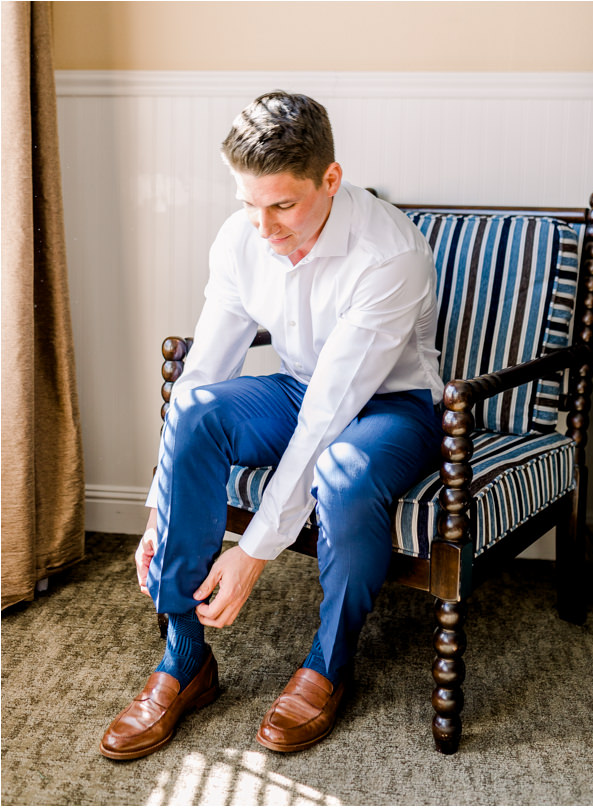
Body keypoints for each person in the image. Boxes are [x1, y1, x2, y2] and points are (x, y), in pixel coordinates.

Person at [100, 91, 444, 760]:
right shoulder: (241, 238)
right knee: (197, 410)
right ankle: (184, 661)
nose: (264, 228)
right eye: (249, 205)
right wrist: (156, 508)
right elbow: (203, 373)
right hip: (298, 387)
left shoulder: (388, 255)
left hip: (393, 406)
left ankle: (328, 662)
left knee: (344, 474)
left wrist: (254, 550)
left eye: (283, 205)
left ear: (331, 179)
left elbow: (331, 417)